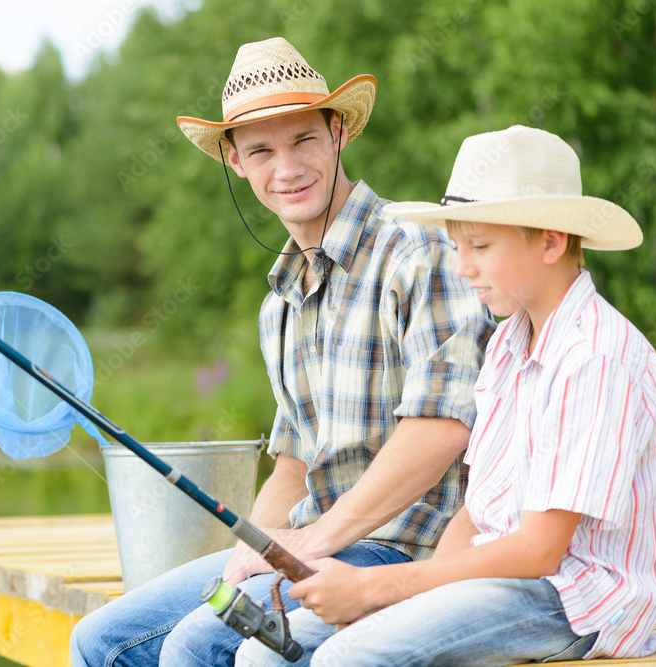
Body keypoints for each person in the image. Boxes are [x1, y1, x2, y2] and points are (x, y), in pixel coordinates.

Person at [70, 37, 493, 666]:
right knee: (99, 642)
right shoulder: (281, 301)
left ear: (338, 133)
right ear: (236, 163)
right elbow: (294, 462)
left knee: (197, 646)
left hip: (409, 553)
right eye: (262, 150)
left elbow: (442, 429)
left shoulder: (417, 251)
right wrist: (257, 548)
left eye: (304, 141)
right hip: (310, 546)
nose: (287, 168)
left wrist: (319, 538)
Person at [235, 125, 656, 666]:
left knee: (345, 659)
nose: (463, 265)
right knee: (262, 656)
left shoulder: (595, 355)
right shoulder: (509, 345)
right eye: (455, 247)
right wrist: (417, 596)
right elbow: (474, 516)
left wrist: (380, 589)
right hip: (499, 573)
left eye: (481, 246)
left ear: (550, 239)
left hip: (574, 597)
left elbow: (541, 549)